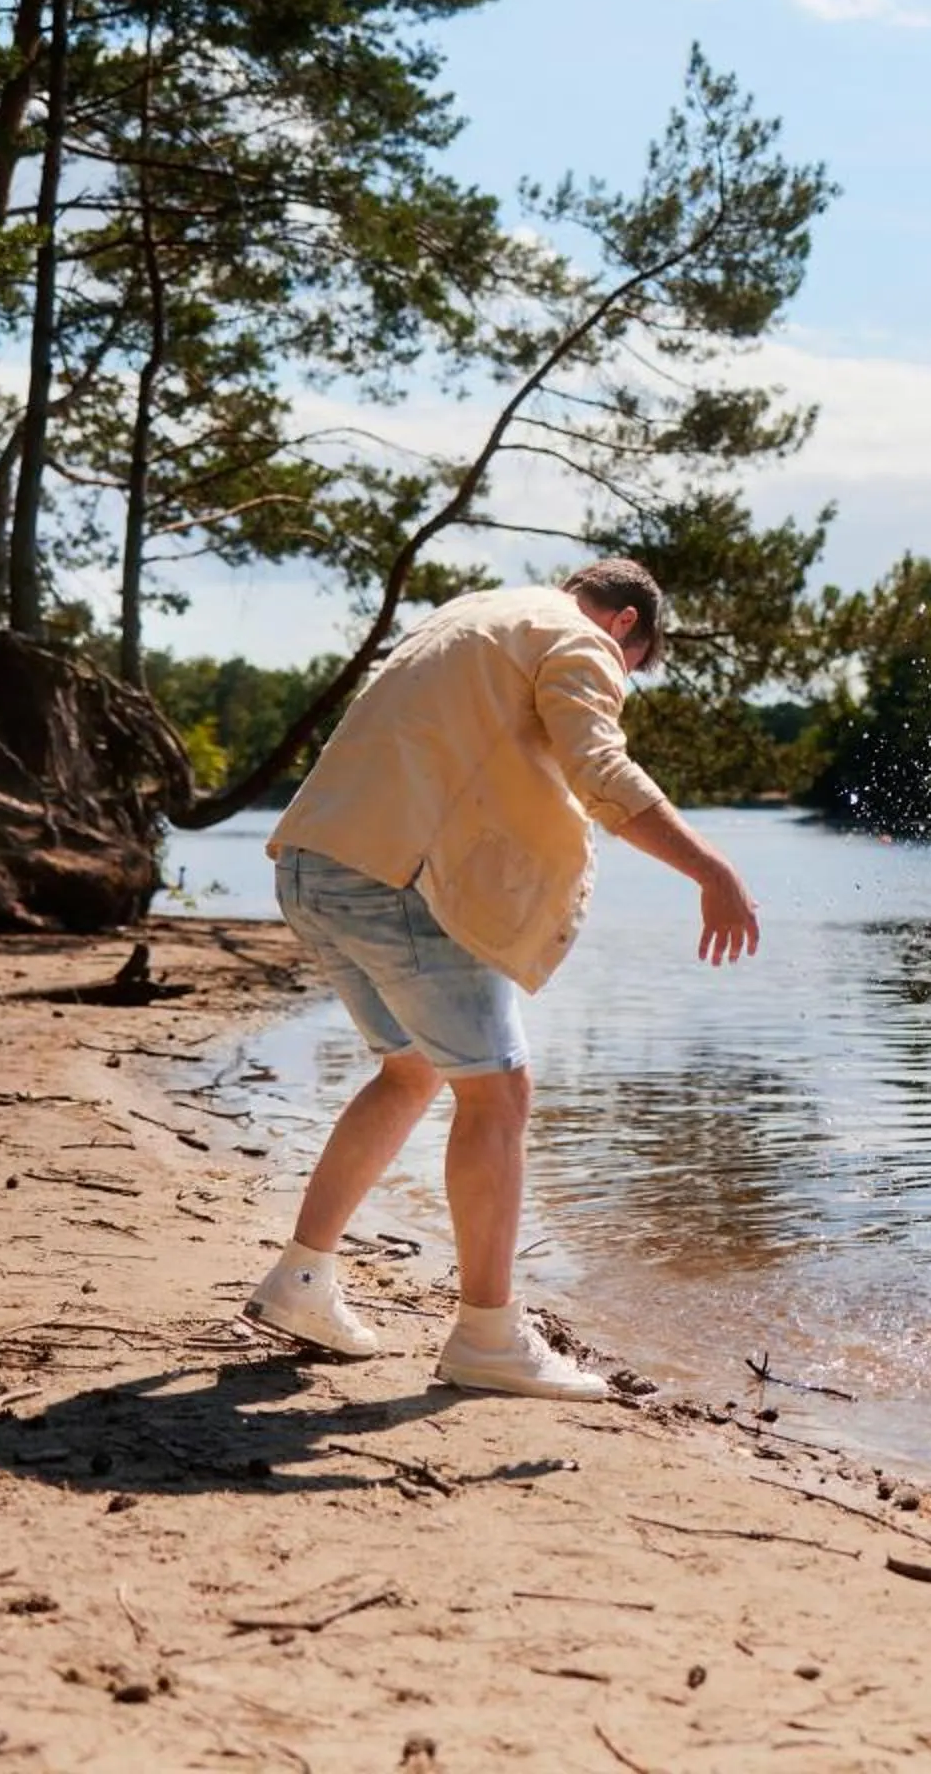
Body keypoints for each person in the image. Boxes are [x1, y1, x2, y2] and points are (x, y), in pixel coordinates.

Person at [240, 559, 759, 1401]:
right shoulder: (584, 642)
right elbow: (600, 772)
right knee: (499, 1093)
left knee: (411, 1071)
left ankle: (301, 1280)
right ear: (626, 624)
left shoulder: (480, 613)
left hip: (314, 861)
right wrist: (712, 868)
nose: (620, 677)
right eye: (634, 667)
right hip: (394, 876)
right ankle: (487, 1335)